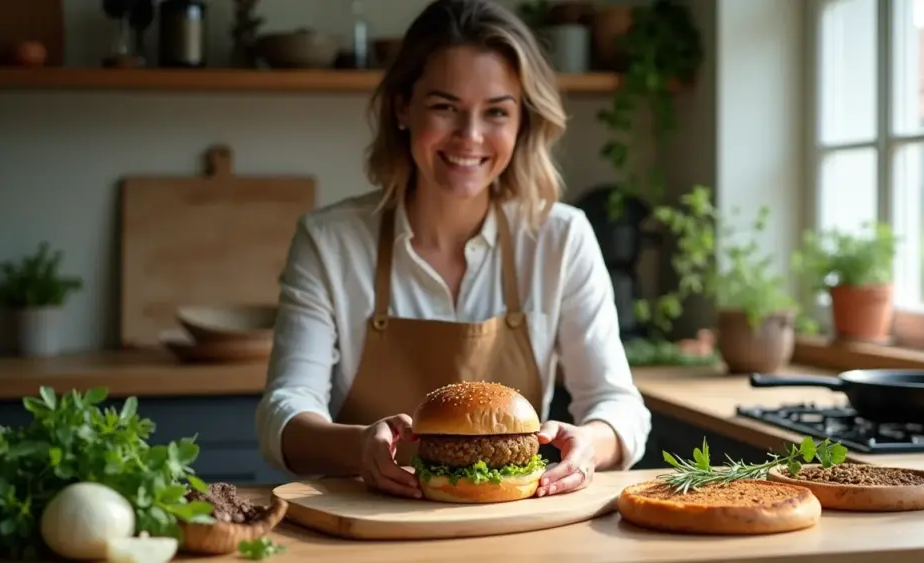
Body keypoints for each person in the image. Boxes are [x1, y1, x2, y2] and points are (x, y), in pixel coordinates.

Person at [255, 0, 651, 500]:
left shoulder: (560, 238)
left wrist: (590, 444)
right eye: (445, 107)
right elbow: (285, 411)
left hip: (513, 531)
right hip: (366, 521)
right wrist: (360, 448)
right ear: (403, 106)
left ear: (523, 121)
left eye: (497, 112)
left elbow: (618, 405)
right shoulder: (330, 242)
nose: (470, 136)